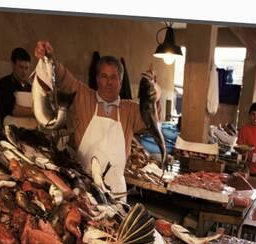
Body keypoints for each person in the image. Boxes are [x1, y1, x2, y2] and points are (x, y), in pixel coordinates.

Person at [34, 40, 161, 197]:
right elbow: (63, 77)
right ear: (97, 79)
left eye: (114, 77)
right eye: (104, 76)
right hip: (84, 189)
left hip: (117, 193)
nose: (109, 82)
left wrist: (155, 94)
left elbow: (153, 120)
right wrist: (49, 57)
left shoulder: (131, 110)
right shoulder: (83, 97)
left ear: (121, 82)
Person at [0, 47, 37, 129]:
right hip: (13, 132)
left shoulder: (30, 88)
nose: (24, 72)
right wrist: (37, 113)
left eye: (27, 68)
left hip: (32, 132)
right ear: (13, 64)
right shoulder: (5, 83)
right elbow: (13, 110)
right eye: (21, 67)